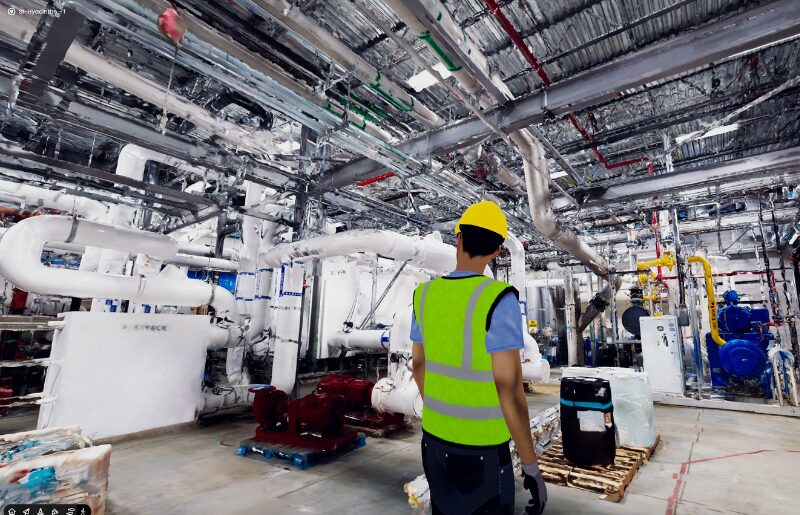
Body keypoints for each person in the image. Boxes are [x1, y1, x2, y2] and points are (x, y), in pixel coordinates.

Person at [410, 201, 547, 514]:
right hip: (482, 451)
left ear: (458, 239)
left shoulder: (424, 295)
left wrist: (440, 409)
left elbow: (418, 364)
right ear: (497, 251)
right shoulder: (499, 298)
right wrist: (530, 466)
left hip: (433, 441)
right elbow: (509, 390)